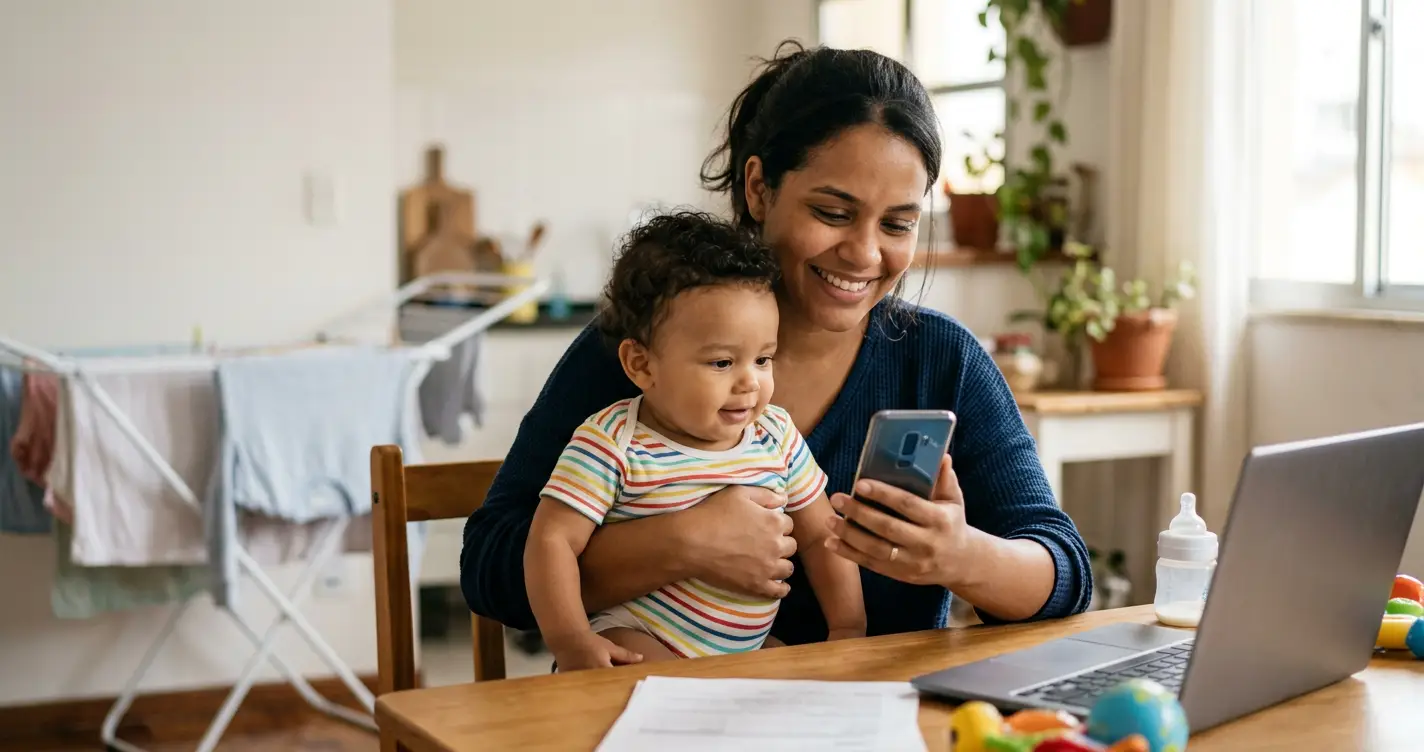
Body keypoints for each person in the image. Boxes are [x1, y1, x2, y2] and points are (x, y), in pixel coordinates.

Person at [461, 40, 1093, 649]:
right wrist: (681, 542)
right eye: (834, 212)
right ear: (759, 188)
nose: (866, 253)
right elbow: (490, 571)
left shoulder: (940, 360)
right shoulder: (637, 351)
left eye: (898, 223)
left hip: (867, 716)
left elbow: (1065, 574)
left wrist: (961, 556)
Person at [523, 211, 865, 671]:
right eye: (722, 363)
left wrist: (847, 628)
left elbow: (823, 536)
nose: (750, 383)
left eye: (764, 359)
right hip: (641, 638)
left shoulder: (775, 435)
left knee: (795, 686)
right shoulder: (612, 442)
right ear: (642, 365)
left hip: (746, 650)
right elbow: (551, 542)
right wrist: (570, 641)